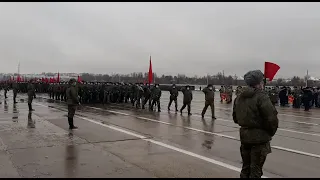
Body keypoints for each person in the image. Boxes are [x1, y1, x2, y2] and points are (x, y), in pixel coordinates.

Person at [232, 70, 278, 178]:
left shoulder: (239, 97)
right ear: (259, 83)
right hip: (260, 139)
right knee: (256, 171)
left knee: (246, 169)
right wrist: (270, 132)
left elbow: (235, 118)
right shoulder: (261, 97)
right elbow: (272, 119)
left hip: (244, 136)